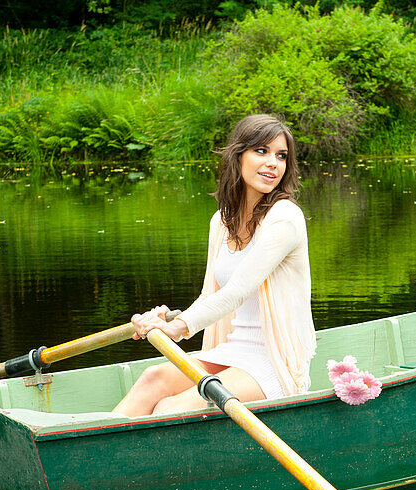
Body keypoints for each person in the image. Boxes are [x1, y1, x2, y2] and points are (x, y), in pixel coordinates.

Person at [113, 114, 315, 417]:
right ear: (239, 155)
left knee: (170, 408)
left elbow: (235, 292)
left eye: (281, 156)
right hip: (234, 351)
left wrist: (173, 328)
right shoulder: (222, 221)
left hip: (275, 362)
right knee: (152, 379)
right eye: (261, 151)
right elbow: (211, 295)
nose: (273, 162)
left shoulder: (285, 217)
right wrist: (167, 325)